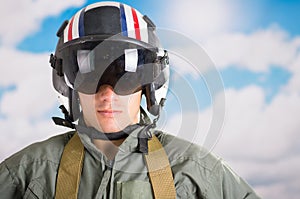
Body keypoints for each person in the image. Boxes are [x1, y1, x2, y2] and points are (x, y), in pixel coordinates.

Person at [0, 1, 261, 198]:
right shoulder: (29, 173)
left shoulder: (195, 171)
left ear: (149, 85)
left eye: (126, 76)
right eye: (89, 76)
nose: (107, 94)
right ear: (68, 83)